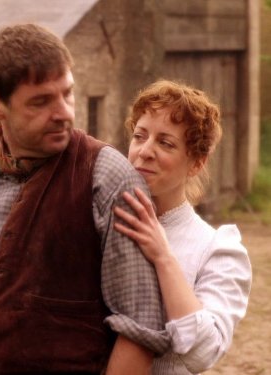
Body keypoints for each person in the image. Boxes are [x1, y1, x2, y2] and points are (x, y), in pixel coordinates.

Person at [0, 23, 169, 374]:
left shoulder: (105, 176)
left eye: (67, 94)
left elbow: (139, 327)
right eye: (41, 101)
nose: (64, 113)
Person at [113, 80, 252, 374]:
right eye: (140, 136)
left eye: (165, 143)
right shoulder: (103, 220)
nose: (145, 151)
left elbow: (203, 353)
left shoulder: (217, 249)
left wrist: (163, 257)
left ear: (196, 163)